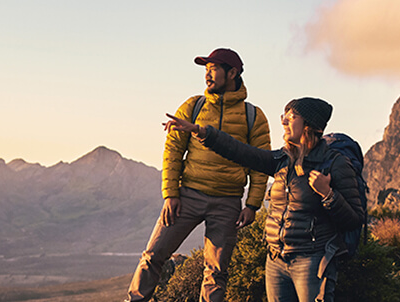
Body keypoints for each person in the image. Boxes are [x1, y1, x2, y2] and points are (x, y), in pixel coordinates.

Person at [163, 97, 365, 302]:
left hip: (312, 261)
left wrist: (328, 195)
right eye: (284, 117)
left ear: (309, 126)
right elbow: (240, 151)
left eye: (291, 117)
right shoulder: (282, 160)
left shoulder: (335, 164)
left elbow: (355, 219)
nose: (284, 122)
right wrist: (201, 131)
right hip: (276, 260)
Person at [126, 48, 271, 302]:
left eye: (213, 69)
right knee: (153, 255)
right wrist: (170, 194)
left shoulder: (253, 117)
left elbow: (260, 164)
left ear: (233, 73)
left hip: (227, 203)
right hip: (187, 196)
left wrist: (252, 204)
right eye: (206, 70)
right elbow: (172, 151)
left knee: (216, 272)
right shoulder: (193, 106)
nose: (207, 75)